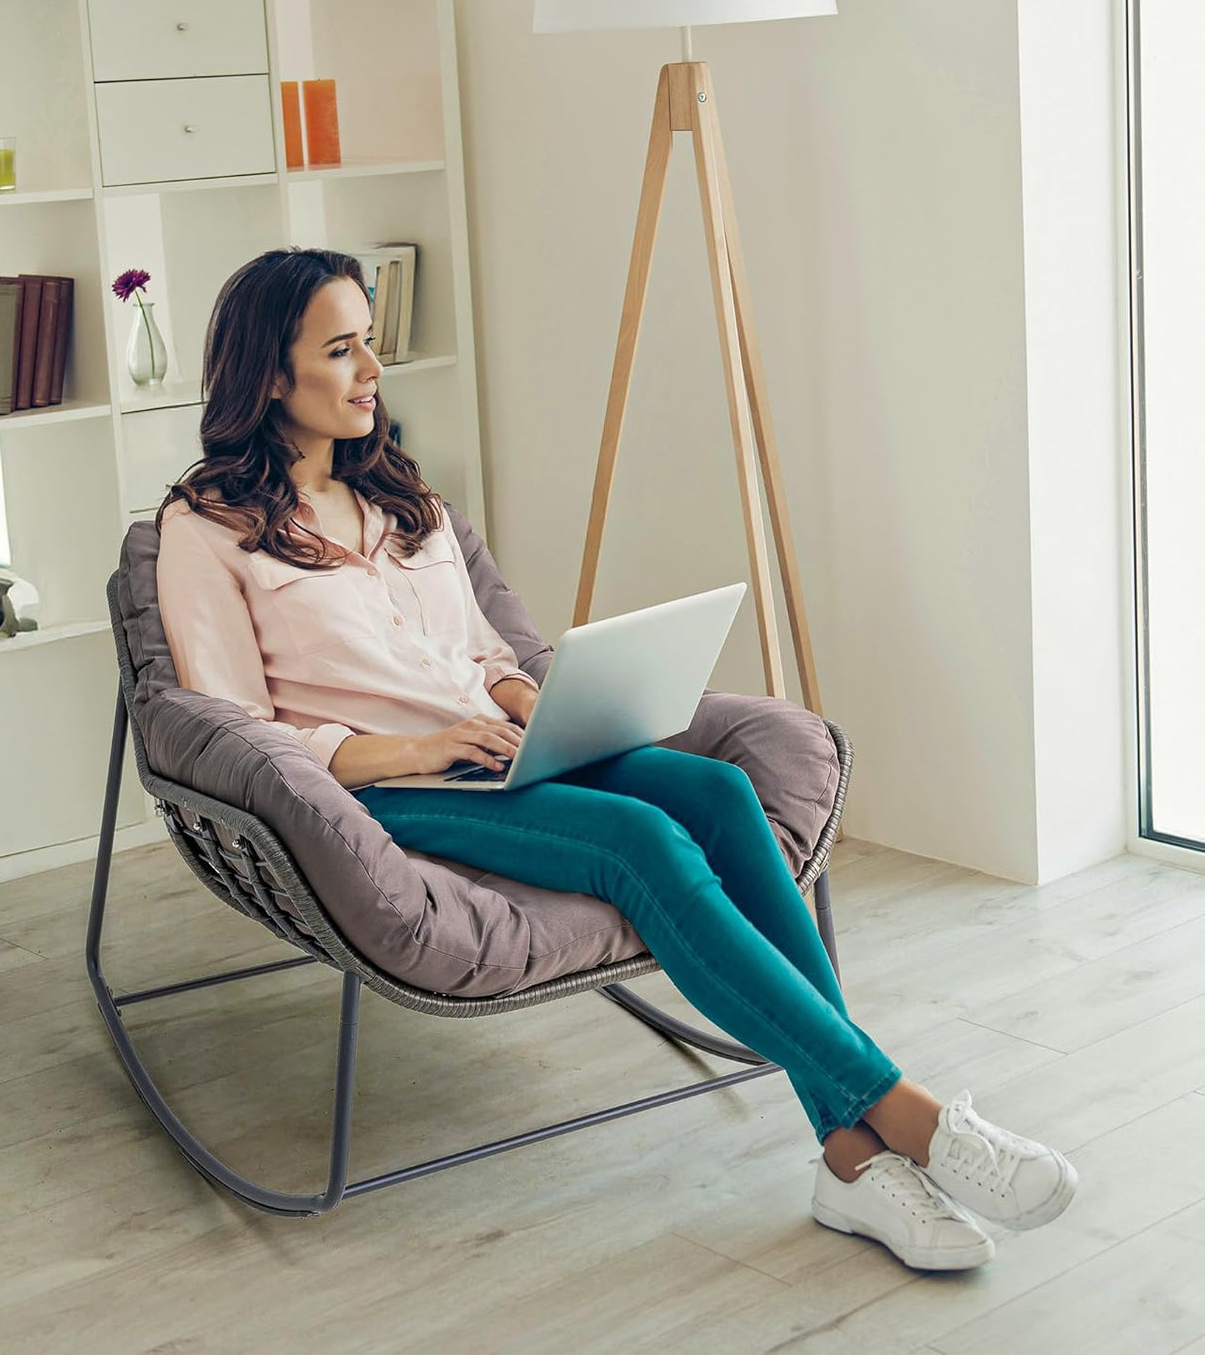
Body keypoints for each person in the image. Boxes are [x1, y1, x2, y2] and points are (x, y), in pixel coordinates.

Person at [155, 247, 1077, 1271]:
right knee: (636, 838)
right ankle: (911, 1120)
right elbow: (231, 728)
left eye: (370, 338)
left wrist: (541, 703)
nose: (372, 366)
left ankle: (849, 1159)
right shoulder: (203, 530)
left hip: (500, 745)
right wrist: (418, 745)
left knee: (720, 789)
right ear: (268, 376)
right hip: (393, 788)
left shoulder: (401, 499)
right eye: (340, 348)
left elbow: (473, 650)